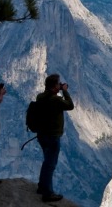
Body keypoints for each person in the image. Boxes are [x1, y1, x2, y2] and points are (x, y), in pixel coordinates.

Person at [36, 73, 75, 202]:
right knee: (50, 164)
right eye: (58, 84)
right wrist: (65, 92)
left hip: (42, 135)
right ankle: (48, 193)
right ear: (54, 87)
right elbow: (70, 105)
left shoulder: (40, 97)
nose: (60, 85)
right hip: (52, 136)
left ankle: (42, 186)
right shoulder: (55, 99)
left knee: (46, 161)